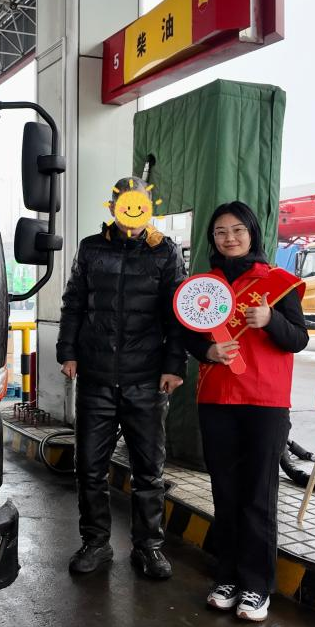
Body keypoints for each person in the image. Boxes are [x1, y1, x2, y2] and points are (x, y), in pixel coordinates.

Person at [182, 201, 308, 621]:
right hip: (217, 400)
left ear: (252, 232)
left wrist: (271, 319)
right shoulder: (202, 287)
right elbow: (188, 337)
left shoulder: (278, 283)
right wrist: (208, 352)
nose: (229, 238)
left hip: (265, 403)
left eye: (237, 229)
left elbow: (298, 339)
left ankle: (257, 586)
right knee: (225, 493)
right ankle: (227, 577)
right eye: (220, 232)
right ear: (212, 239)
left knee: (257, 496)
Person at [56, 177, 188, 580]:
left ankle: (148, 547)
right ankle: (96, 543)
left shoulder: (165, 252)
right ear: (112, 206)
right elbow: (73, 303)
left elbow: (177, 314)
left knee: (148, 471)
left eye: (139, 202)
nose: (131, 210)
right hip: (95, 378)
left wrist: (174, 365)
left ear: (150, 206)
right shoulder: (90, 248)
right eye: (124, 203)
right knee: (89, 468)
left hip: (146, 380)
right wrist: (67, 352)